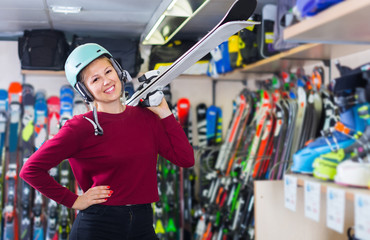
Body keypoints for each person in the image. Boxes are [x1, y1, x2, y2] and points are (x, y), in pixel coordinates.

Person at [20, 43, 195, 240]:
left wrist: (164, 112)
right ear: (85, 90)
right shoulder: (81, 127)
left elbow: (186, 159)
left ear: (118, 71)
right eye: (95, 79)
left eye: (108, 71)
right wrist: (75, 201)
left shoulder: (147, 117)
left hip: (142, 223)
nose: (106, 81)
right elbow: (30, 170)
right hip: (98, 225)